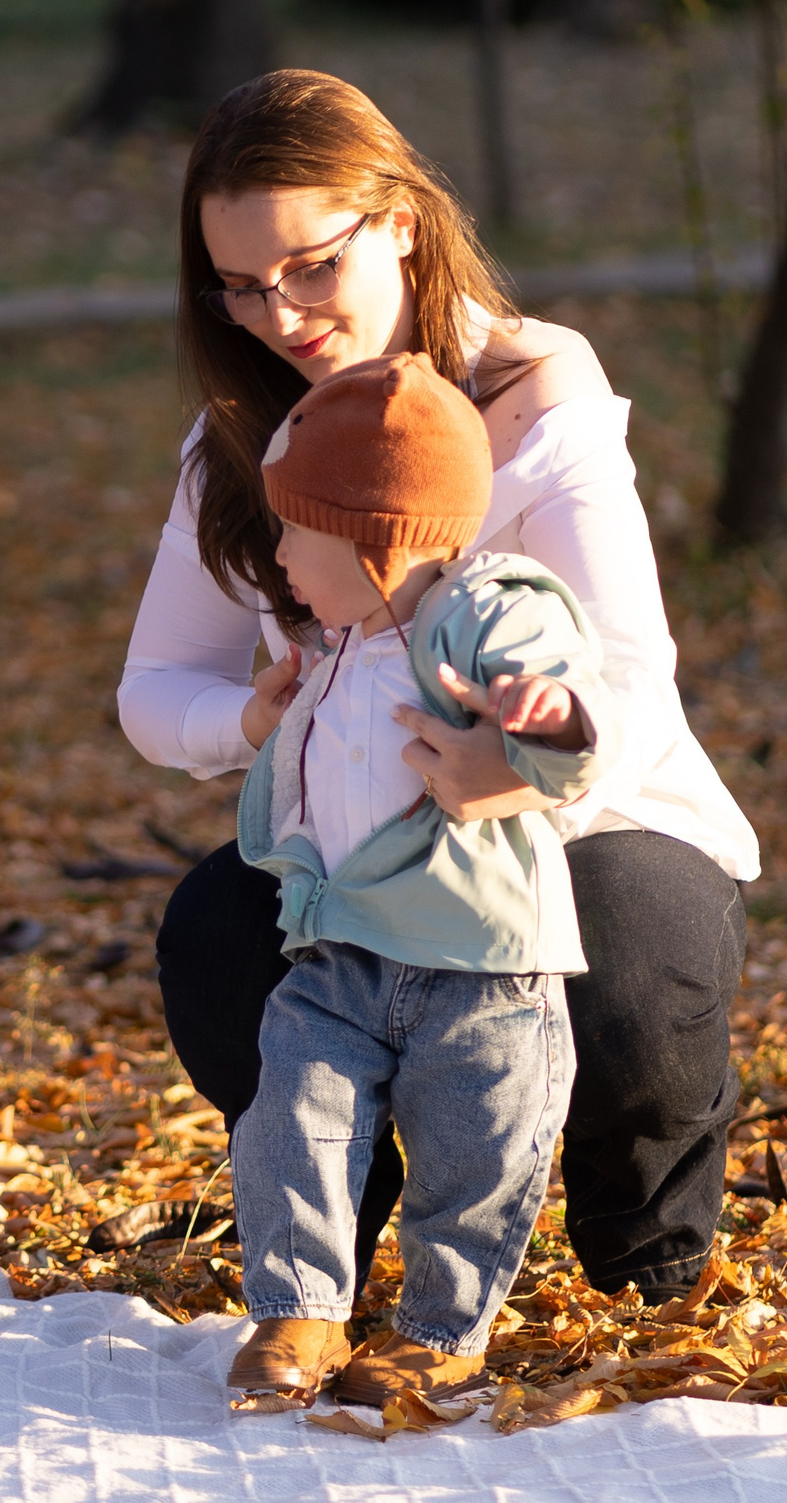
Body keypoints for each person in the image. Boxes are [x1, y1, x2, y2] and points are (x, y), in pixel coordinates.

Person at [119, 70, 760, 1319]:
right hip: (366, 867)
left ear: (400, 222)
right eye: (240, 286)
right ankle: (325, 1249)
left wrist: (507, 765)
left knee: (635, 950)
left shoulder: (533, 395)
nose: (281, 316)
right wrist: (245, 723)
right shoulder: (245, 436)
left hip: (585, 826)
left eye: (310, 268)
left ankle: (644, 1255)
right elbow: (156, 684)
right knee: (216, 930)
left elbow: (628, 674)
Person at [224, 354, 616, 1406]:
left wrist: (538, 713)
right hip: (343, 946)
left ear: (375, 536)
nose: (278, 554)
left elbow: (556, 681)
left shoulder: (475, 609)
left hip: (481, 963)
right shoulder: (341, 639)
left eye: (296, 530)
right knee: (290, 1114)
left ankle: (441, 1327)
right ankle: (300, 1308)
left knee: (475, 1149)